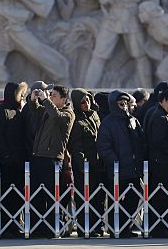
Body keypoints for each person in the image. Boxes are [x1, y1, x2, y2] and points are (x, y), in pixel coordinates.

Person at [96, 91, 145, 238]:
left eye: (125, 103)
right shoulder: (108, 123)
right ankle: (115, 229)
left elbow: (141, 142)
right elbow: (103, 147)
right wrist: (116, 161)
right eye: (120, 104)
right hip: (117, 170)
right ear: (114, 105)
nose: (124, 106)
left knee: (135, 196)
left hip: (133, 169)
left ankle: (126, 226)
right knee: (115, 201)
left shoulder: (133, 120)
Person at [30, 85, 75, 238]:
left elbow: (56, 117)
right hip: (38, 156)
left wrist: (45, 100)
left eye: (54, 95)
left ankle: (52, 227)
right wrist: (34, 102)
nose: (51, 97)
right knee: (37, 195)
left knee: (51, 195)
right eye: (50, 95)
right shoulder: (48, 110)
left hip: (53, 158)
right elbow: (36, 114)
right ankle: (37, 228)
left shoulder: (68, 114)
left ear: (64, 99)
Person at [0, 81, 28, 237]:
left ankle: (15, 224)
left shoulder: (19, 110)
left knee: (18, 195)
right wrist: (6, 153)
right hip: (7, 162)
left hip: (19, 161)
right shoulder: (2, 110)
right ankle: (6, 226)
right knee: (7, 196)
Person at [68, 88, 104, 237]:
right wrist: (82, 165)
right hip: (84, 166)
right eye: (83, 101)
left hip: (97, 163)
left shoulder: (94, 115)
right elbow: (76, 146)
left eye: (88, 100)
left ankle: (97, 226)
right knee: (84, 197)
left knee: (97, 196)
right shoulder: (75, 119)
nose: (86, 103)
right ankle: (84, 227)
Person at [145, 88, 168, 238]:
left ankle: (163, 226)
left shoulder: (166, 115)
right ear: (161, 101)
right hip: (160, 163)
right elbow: (158, 142)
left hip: (165, 162)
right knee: (160, 196)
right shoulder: (159, 117)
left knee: (164, 196)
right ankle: (158, 228)